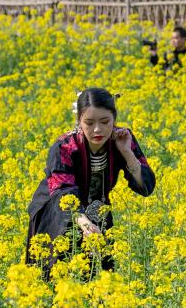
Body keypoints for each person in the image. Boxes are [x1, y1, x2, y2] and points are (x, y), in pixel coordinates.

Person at [25, 88, 156, 281]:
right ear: (79, 121)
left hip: (98, 209)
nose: (97, 130)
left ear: (114, 119)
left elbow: (146, 187)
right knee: (60, 274)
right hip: (58, 211)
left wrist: (127, 152)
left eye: (105, 122)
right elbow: (63, 191)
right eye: (89, 122)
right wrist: (84, 222)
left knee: (101, 276)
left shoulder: (122, 139)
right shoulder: (65, 146)